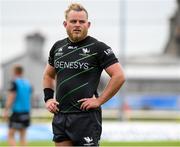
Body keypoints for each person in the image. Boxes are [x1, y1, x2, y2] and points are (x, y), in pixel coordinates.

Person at [43, 3, 125, 146]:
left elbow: (119, 76)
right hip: (61, 115)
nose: (77, 25)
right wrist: (48, 99)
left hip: (86, 117)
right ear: (65, 24)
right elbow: (48, 76)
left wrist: (99, 101)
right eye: (73, 21)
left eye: (81, 21)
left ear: (88, 24)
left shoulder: (98, 48)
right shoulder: (58, 47)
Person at [3, 65, 32, 146]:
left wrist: (6, 111)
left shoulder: (14, 82)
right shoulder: (27, 83)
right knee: (23, 136)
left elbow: (11, 97)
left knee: (10, 135)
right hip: (26, 112)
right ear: (22, 72)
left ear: (14, 72)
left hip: (17, 112)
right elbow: (30, 98)